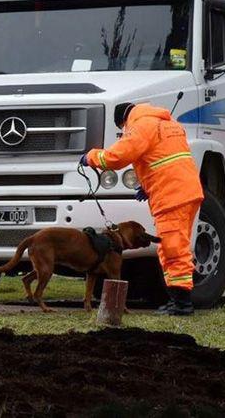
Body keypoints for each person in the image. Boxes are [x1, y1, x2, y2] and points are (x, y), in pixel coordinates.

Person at [83, 102, 203, 316]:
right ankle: (178, 300)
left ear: (124, 121)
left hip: (171, 196)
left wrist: (90, 157)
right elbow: (163, 159)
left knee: (172, 249)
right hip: (187, 190)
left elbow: (117, 157)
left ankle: (182, 303)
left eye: (123, 130)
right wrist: (147, 187)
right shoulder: (168, 124)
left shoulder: (141, 126)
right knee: (177, 245)